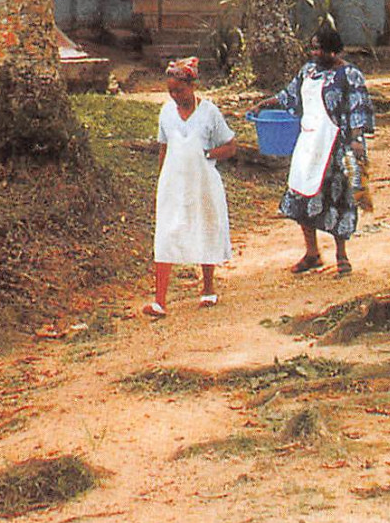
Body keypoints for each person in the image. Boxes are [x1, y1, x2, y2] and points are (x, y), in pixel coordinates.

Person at [253, 23, 375, 277]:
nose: (314, 54)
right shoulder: (308, 71)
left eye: (319, 50)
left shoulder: (349, 75)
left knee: (338, 198)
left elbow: (358, 109)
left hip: (336, 147)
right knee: (301, 195)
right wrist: (264, 104)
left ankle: (341, 255)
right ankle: (312, 253)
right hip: (309, 145)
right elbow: (290, 95)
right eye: (313, 49)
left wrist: (355, 140)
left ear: (334, 51)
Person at [146, 56, 238, 318]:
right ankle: (159, 300)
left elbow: (230, 146)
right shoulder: (166, 113)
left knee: (205, 227)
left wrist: (208, 155)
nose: (175, 95)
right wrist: (162, 179)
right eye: (171, 91)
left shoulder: (209, 113)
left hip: (203, 184)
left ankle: (208, 288)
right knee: (166, 234)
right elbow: (164, 148)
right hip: (174, 184)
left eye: (180, 90)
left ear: (192, 85)